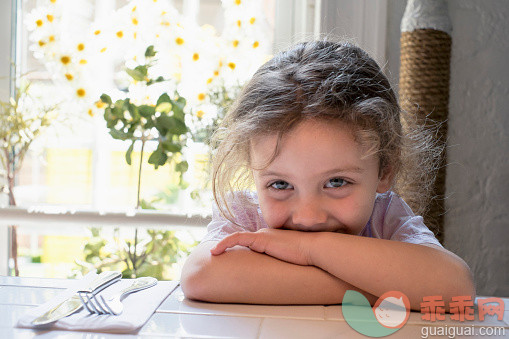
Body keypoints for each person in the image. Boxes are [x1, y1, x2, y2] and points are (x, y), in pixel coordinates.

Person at [180, 40, 475, 311]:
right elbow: (199, 275)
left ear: (385, 169)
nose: (309, 218)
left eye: (336, 182)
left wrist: (307, 249)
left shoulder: (385, 218)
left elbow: (456, 289)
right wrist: (383, 291)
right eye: (280, 184)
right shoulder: (245, 216)